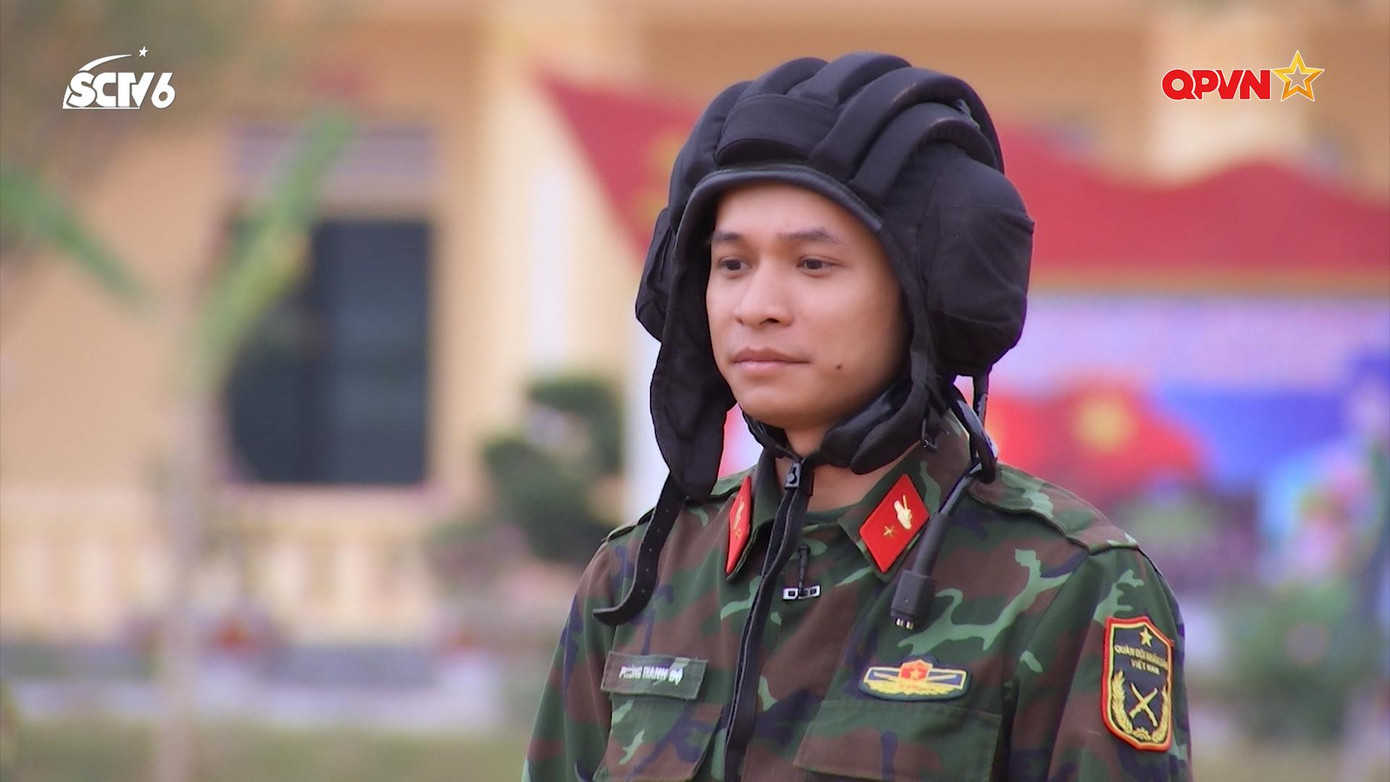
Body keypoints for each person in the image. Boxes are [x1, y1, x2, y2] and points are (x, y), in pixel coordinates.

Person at [524, 53, 1191, 781]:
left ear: (924, 293)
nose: (757, 307)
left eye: (814, 264)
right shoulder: (635, 579)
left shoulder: (1066, 586)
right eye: (732, 265)